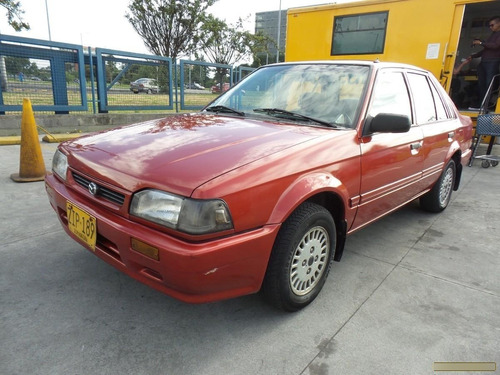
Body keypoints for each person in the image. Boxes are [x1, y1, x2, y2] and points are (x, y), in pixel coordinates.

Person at [469, 16, 500, 108]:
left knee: (489, 84)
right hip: (484, 62)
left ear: (499, 24)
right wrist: (474, 56)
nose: (490, 27)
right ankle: (481, 105)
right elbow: (486, 49)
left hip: (492, 62)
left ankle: (486, 106)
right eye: (489, 25)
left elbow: (496, 46)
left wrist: (481, 43)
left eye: (492, 25)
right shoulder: (493, 34)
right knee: (481, 84)